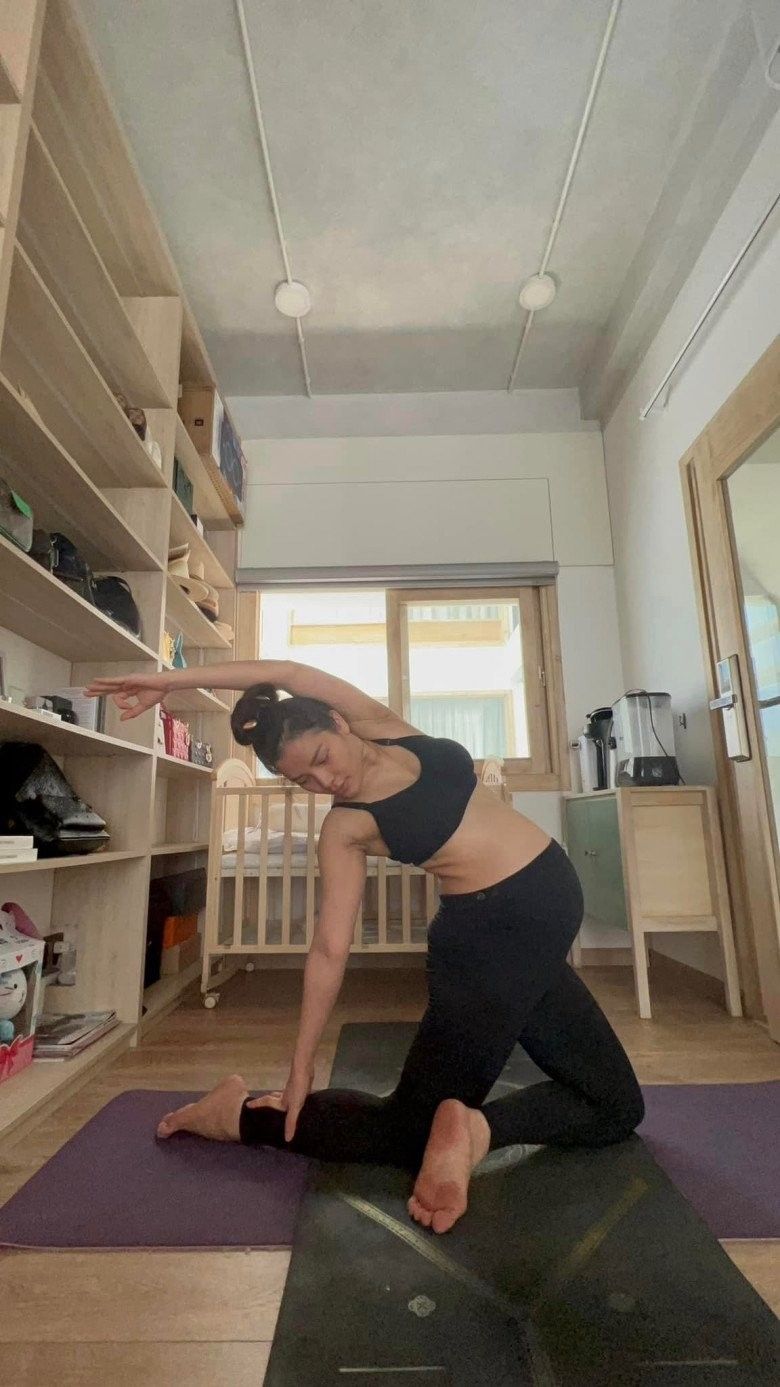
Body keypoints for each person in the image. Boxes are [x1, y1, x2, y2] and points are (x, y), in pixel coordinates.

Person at [87, 660, 644, 1234]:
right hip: (491, 945)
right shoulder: (346, 828)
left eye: (321, 758)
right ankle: (239, 1116)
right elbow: (330, 948)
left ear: (338, 722)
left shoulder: (387, 728)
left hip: (536, 941)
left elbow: (288, 671)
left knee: (617, 1107)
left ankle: (475, 1130)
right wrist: (301, 1063)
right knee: (404, 1133)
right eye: (305, 781)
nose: (324, 782)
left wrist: (168, 681)